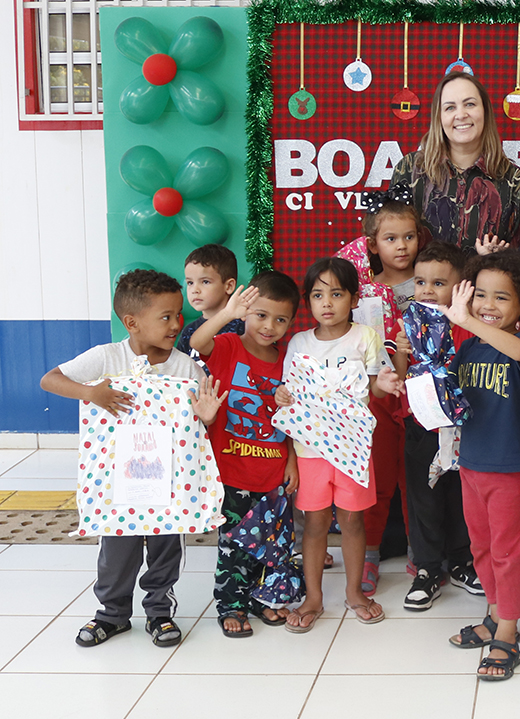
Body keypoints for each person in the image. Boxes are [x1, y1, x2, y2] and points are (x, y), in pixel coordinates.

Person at [40, 269, 220, 648]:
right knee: (117, 551)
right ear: (132, 322)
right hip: (118, 482)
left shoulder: (184, 365)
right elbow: (50, 380)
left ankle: (159, 611)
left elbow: (200, 422)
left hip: (170, 481)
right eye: (166, 316)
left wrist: (207, 415)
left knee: (165, 549)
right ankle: (112, 614)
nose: (177, 324)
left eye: (178, 314)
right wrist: (91, 394)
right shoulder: (107, 357)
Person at [444, 251, 520, 681]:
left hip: (510, 468)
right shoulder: (468, 349)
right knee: (481, 547)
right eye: (480, 294)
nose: (488, 304)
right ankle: (492, 612)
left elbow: (518, 350)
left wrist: (468, 320)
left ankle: (507, 630)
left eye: (501, 297)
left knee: (508, 551)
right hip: (470, 463)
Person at [277, 257, 390, 633]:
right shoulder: (298, 342)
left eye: (337, 294)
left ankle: (355, 592)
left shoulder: (366, 338)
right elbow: (290, 399)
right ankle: (314, 597)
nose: (327, 303)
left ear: (354, 299)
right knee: (314, 524)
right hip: (310, 452)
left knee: (353, 521)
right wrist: (282, 398)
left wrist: (385, 385)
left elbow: (374, 387)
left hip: (354, 449)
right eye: (317, 295)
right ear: (307, 301)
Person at [189, 272, 301, 637]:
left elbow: (291, 420)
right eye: (261, 315)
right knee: (235, 545)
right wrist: (228, 313)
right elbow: (195, 339)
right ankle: (230, 606)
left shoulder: (287, 360)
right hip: (232, 471)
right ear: (246, 312)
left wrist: (291, 461)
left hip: (272, 471)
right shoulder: (226, 346)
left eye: (281, 319)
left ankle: (259, 597)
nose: (270, 326)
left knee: (269, 541)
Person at [337, 186, 421, 595]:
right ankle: (369, 552)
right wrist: (368, 243)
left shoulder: (430, 280)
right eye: (389, 239)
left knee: (420, 478)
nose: (401, 246)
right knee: (380, 475)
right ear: (373, 244)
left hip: (423, 393)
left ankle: (420, 555)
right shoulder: (365, 288)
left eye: (409, 236)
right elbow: (342, 263)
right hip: (377, 395)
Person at [391, 241, 483, 610]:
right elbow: (399, 379)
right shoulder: (408, 324)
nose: (427, 290)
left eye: (439, 283)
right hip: (421, 426)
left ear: (461, 288)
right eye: (420, 282)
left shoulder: (468, 324)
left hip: (464, 429)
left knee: (462, 497)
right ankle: (428, 567)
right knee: (423, 498)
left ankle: (461, 560)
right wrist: (400, 352)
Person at [389, 71, 520, 255]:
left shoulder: (513, 181)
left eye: (470, 104)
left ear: (485, 111)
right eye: (450, 108)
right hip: (420, 284)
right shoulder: (409, 170)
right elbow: (390, 244)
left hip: (485, 284)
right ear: (438, 117)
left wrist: (499, 260)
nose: (461, 115)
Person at [177, 244, 243, 355]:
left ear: (229, 286)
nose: (195, 290)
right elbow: (179, 368)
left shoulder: (242, 326)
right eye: (190, 283)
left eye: (205, 282)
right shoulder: (189, 331)